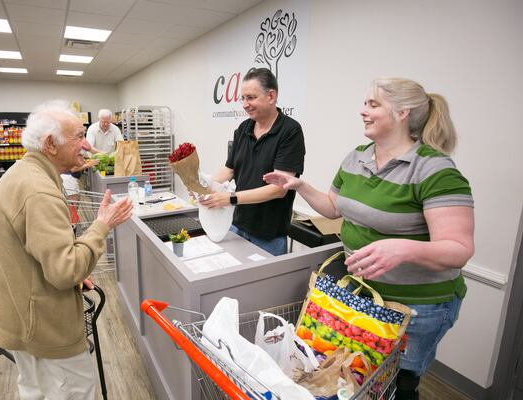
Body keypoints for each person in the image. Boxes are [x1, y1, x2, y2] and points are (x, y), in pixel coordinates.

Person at [264, 78, 474, 399]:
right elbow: (334, 208)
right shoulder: (357, 157)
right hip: (365, 298)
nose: (363, 111)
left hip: (416, 307)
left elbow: (459, 249)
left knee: (400, 383)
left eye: (373, 104)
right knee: (365, 378)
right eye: (365, 103)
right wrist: (300, 186)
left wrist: (402, 249)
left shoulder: (434, 169)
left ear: (403, 112)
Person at [0, 101, 133, 399]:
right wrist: (102, 225)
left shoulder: (23, 173)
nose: (87, 144)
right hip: (43, 326)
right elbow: (65, 271)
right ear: (50, 143)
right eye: (78, 136)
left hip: (17, 314)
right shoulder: (38, 191)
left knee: (35, 388)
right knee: (74, 391)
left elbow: (34, 251)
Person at [200, 67, 306, 256]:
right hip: (236, 225)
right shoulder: (244, 128)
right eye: (243, 98)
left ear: (271, 96)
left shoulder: (290, 131)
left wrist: (230, 199)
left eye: (250, 98)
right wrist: (204, 187)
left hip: (268, 236)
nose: (245, 104)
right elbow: (229, 169)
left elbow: (279, 189)